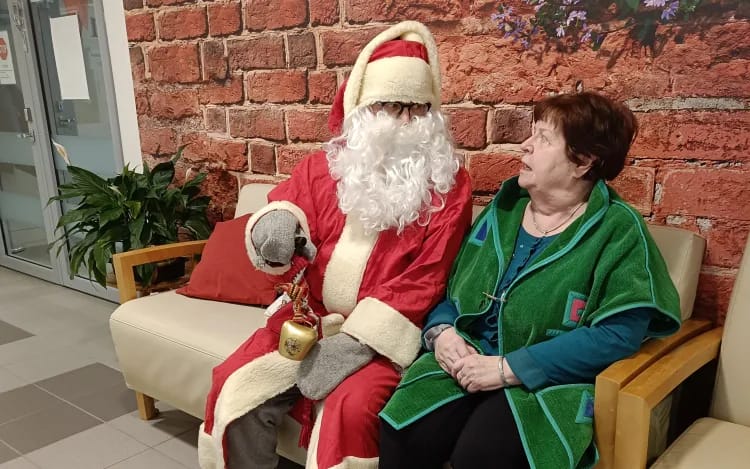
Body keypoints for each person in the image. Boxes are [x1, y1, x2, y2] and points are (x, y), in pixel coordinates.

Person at [198, 21, 473, 469]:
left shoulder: (449, 185)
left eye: (417, 109)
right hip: (308, 317)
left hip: (381, 340)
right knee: (235, 388)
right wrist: (276, 226)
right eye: (391, 106)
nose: (405, 122)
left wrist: (359, 343)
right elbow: (289, 205)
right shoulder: (323, 166)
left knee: (350, 409)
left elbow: (428, 277)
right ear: (363, 110)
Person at [378, 91, 682, 469]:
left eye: (544, 138)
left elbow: (618, 335)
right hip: (467, 357)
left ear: (583, 162)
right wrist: (442, 333)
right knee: (404, 430)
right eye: (531, 133)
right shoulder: (504, 210)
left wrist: (508, 369)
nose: (525, 145)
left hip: (548, 382)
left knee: (482, 455)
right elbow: (452, 288)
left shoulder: (618, 230)